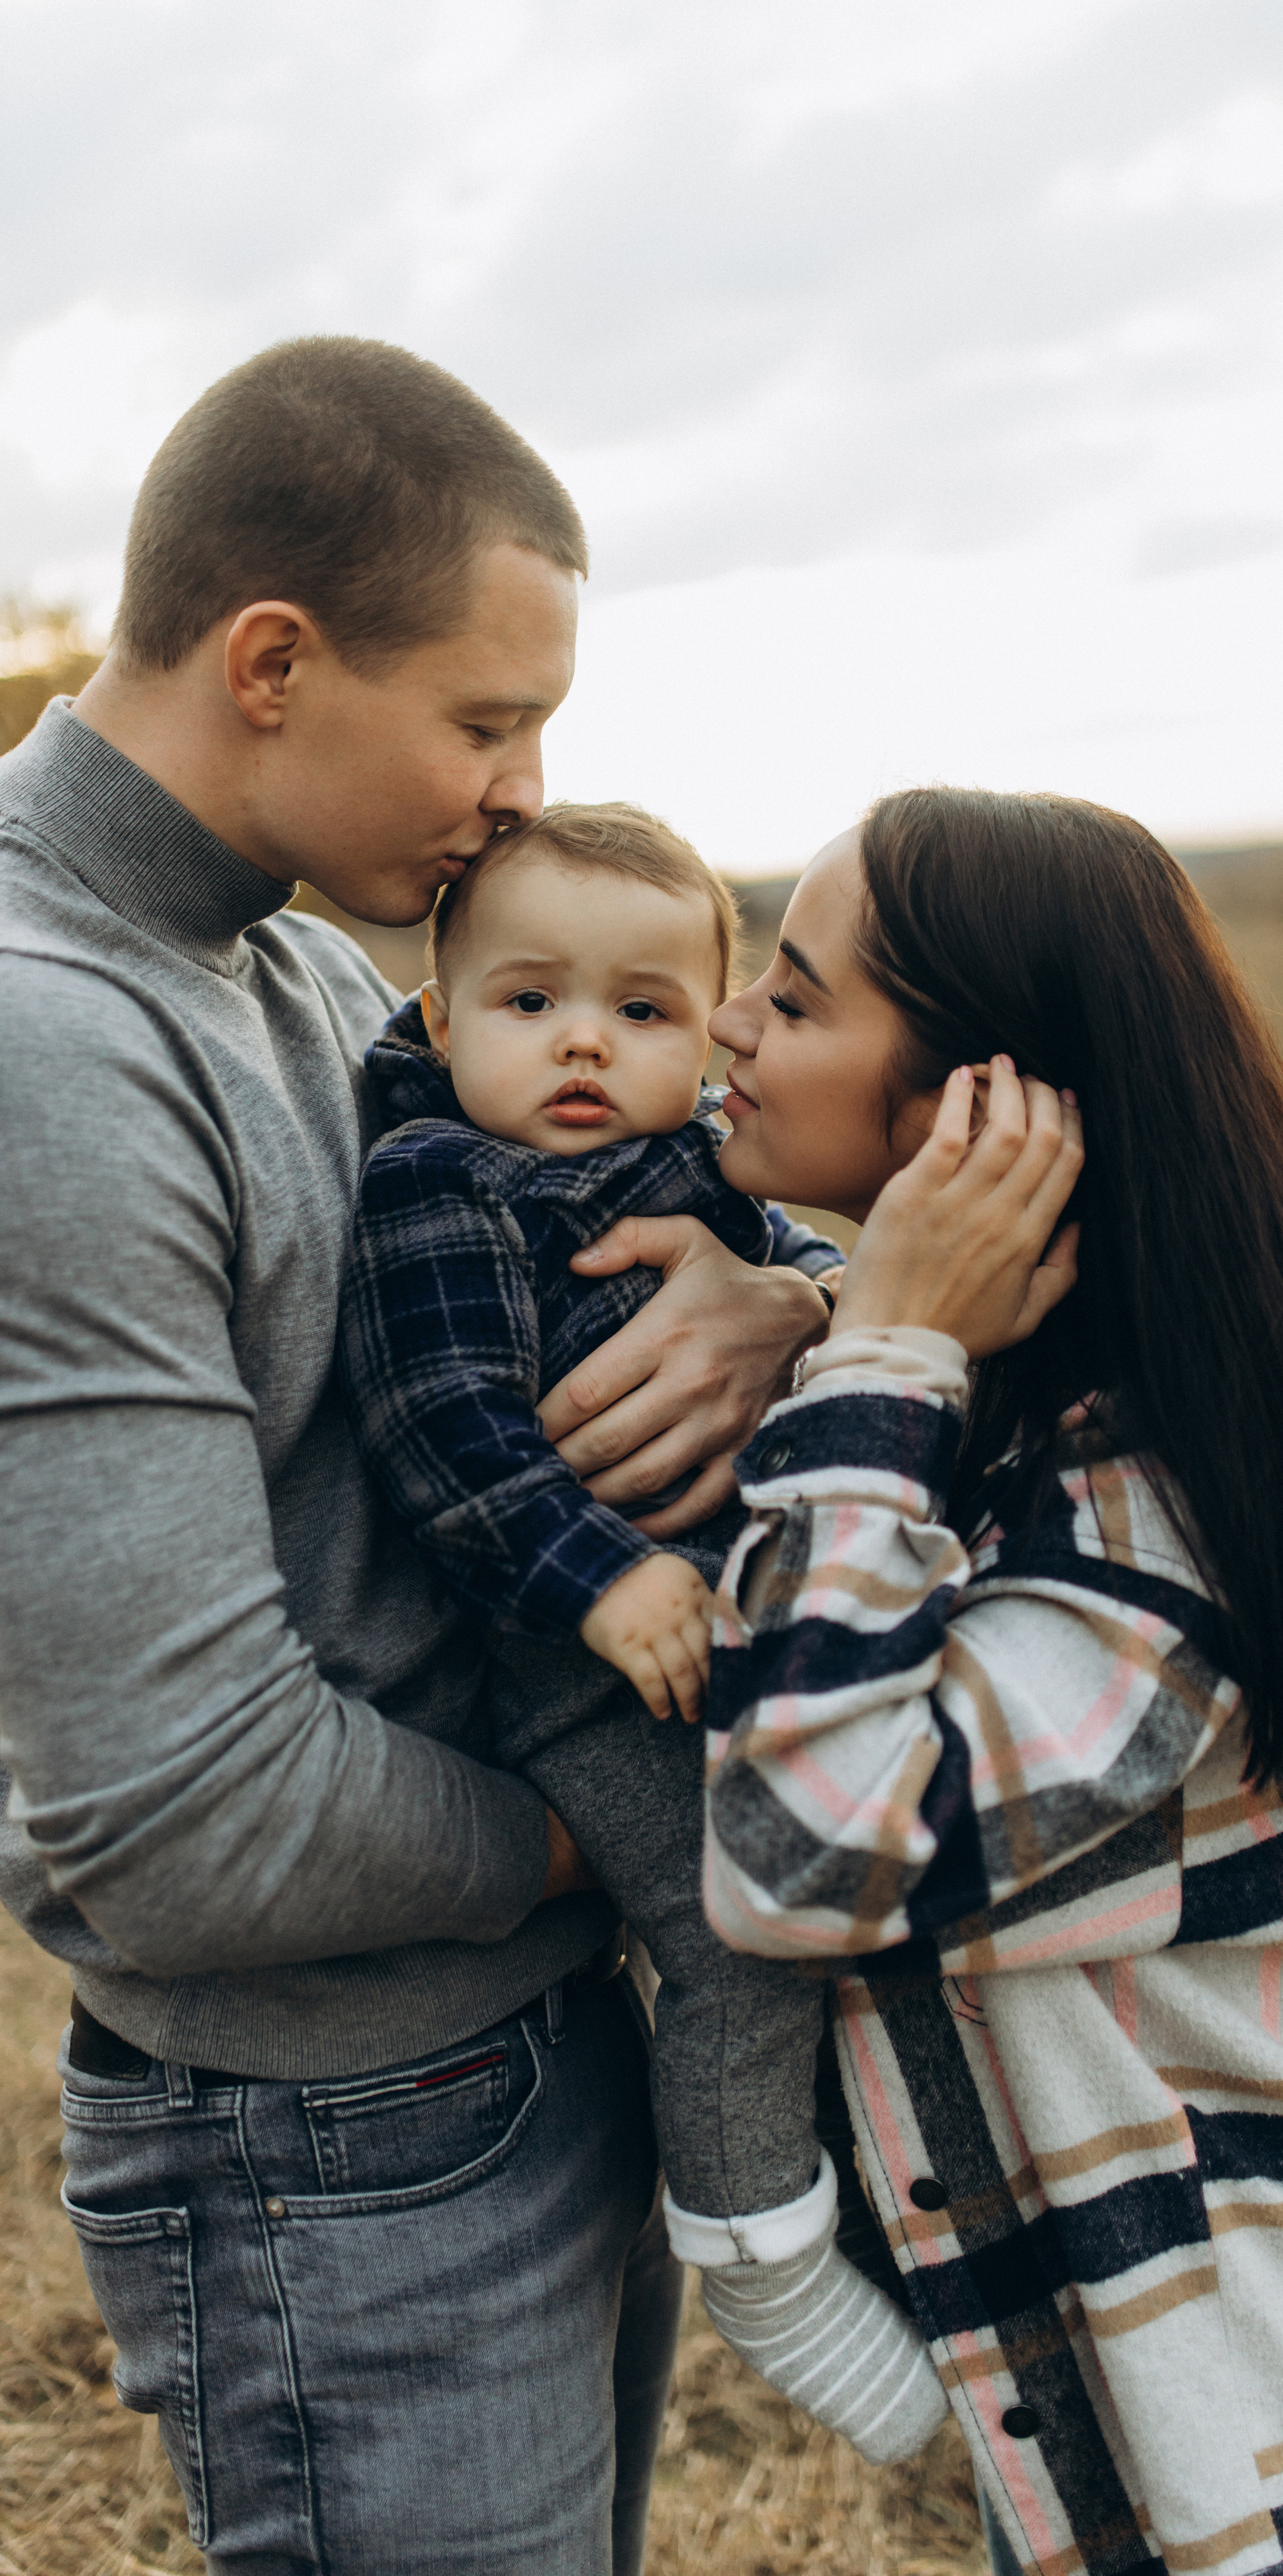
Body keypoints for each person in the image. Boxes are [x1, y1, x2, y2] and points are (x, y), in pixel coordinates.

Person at [0, 337, 832, 2575]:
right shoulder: (46, 1048)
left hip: (521, 2048)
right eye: (487, 720)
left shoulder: (293, 969)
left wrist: (790, 1310)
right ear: (273, 659)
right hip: (333, 2143)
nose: (517, 790)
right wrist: (646, 1847)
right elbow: (180, 1820)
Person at [697, 788, 1283, 2576]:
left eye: (801, 995)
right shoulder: (1042, 1408)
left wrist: (884, 1343)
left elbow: (800, 1856)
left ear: (990, 1117)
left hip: (1274, 2467)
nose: (732, 1022)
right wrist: (841, 1316)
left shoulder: (1159, 1531)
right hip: (1156, 2417)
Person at [339, 797, 948, 2464]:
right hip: (585, 1680)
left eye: (642, 1010)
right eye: (530, 1004)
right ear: (442, 1017)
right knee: (731, 1923)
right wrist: (603, 1579)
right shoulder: (439, 1187)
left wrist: (815, 1294)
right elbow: (439, 1428)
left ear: (711, 1036)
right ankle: (755, 2240)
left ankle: (874, 2204)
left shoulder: (708, 1170)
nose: (583, 1048)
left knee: (855, 1901)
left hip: (752, 1636)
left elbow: (834, 1267)